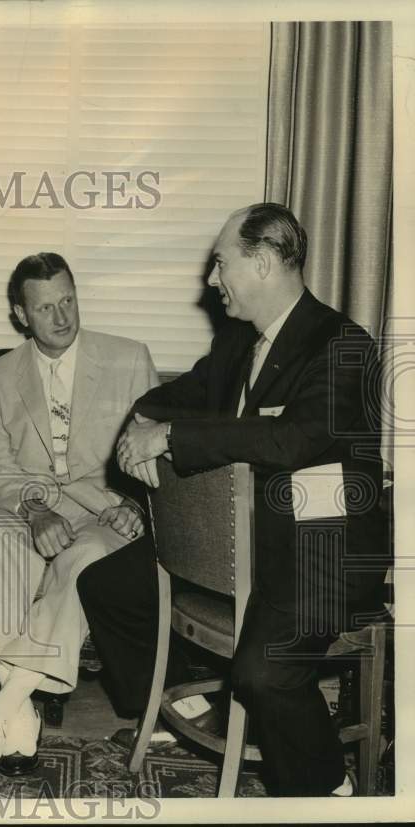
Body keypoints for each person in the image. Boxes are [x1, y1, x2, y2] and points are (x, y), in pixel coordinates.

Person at [82, 203, 388, 796]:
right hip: (241, 545)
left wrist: (169, 435)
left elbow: (295, 437)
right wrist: (139, 423)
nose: (211, 279)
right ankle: (189, 717)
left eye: (221, 264)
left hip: (320, 550)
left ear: (265, 262)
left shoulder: (343, 344)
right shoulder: (235, 344)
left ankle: (329, 791)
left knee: (263, 673)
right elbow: (177, 394)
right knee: (106, 586)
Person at [0, 253, 158, 777]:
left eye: (68, 301)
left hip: (105, 511)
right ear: (21, 315)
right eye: (45, 308)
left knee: (85, 559)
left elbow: (159, 457)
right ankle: (21, 714)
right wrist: (35, 509)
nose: (62, 317)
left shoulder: (129, 359)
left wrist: (135, 507)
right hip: (30, 504)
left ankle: (2, 710)